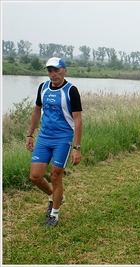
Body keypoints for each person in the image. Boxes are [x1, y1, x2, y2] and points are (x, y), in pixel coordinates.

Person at [26, 57, 82, 227]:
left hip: (63, 138)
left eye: (56, 70)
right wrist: (30, 134)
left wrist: (76, 147)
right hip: (44, 137)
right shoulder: (43, 88)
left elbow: (78, 120)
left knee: (55, 175)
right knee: (35, 176)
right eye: (50, 71)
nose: (53, 74)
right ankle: (55, 196)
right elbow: (37, 111)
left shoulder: (71, 90)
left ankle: (54, 214)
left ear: (64, 70)